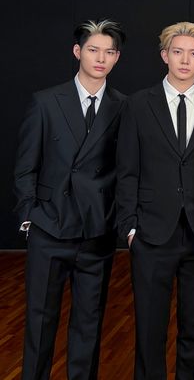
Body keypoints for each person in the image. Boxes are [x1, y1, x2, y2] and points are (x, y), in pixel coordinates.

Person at [14, 19, 126, 379]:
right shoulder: (46, 101)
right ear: (78, 52)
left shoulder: (124, 107)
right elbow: (26, 166)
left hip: (96, 232)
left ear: (117, 57)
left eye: (109, 52)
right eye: (93, 50)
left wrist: (115, 218)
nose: (100, 58)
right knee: (39, 322)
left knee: (88, 324)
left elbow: (126, 170)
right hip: (49, 227)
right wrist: (30, 217)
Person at [116, 21, 194, 379]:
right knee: (149, 330)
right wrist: (130, 228)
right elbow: (127, 169)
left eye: (193, 53)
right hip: (150, 232)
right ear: (165, 55)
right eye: (178, 52)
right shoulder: (137, 104)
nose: (185, 60)